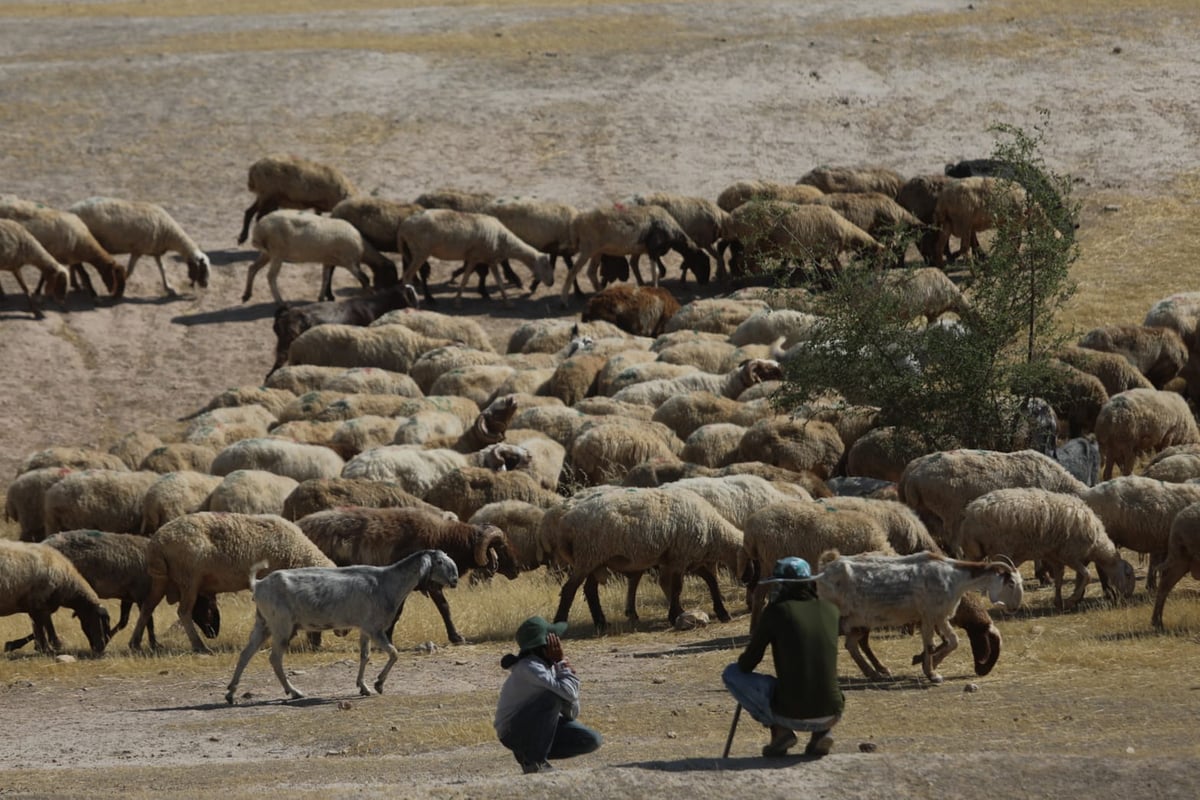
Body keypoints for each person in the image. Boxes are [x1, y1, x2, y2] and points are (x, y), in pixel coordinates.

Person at [723, 556, 845, 758]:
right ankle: (821, 733)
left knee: (732, 673)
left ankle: (781, 732)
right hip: (833, 710)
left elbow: (747, 664)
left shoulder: (777, 611)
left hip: (791, 711)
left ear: (784, 586)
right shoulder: (831, 610)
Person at [494, 616, 603, 774]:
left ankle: (528, 753)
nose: (559, 645)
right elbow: (567, 694)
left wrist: (562, 671)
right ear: (543, 646)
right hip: (512, 732)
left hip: (534, 728)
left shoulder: (549, 666)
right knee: (551, 698)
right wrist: (562, 666)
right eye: (554, 641)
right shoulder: (529, 667)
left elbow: (572, 713)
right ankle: (534, 761)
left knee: (592, 740)